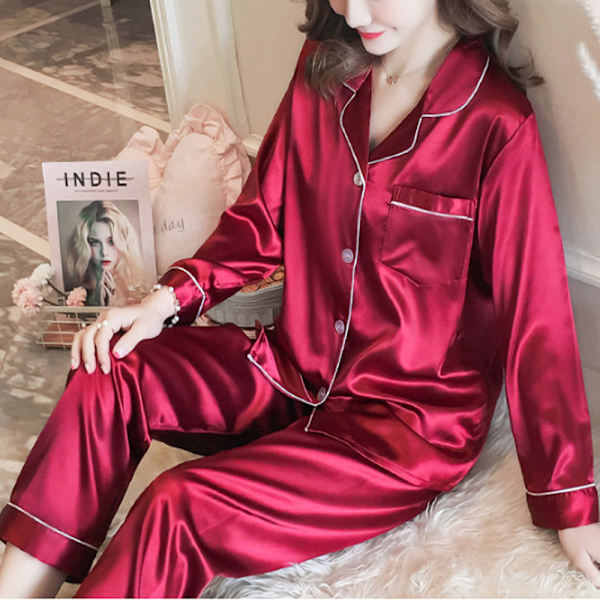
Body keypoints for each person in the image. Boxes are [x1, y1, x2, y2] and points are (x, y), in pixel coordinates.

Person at [1, 0, 599, 596]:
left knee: (178, 507)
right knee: (110, 369)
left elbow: (536, 316)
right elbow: (262, 217)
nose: (353, 12)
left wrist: (570, 504)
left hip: (399, 433)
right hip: (290, 371)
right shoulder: (325, 67)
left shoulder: (495, 122)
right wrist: (162, 303)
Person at [64, 200, 145, 307]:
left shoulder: (139, 290)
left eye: (111, 241)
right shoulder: (75, 293)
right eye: (94, 242)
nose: (104, 252)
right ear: (84, 245)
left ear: (123, 242)